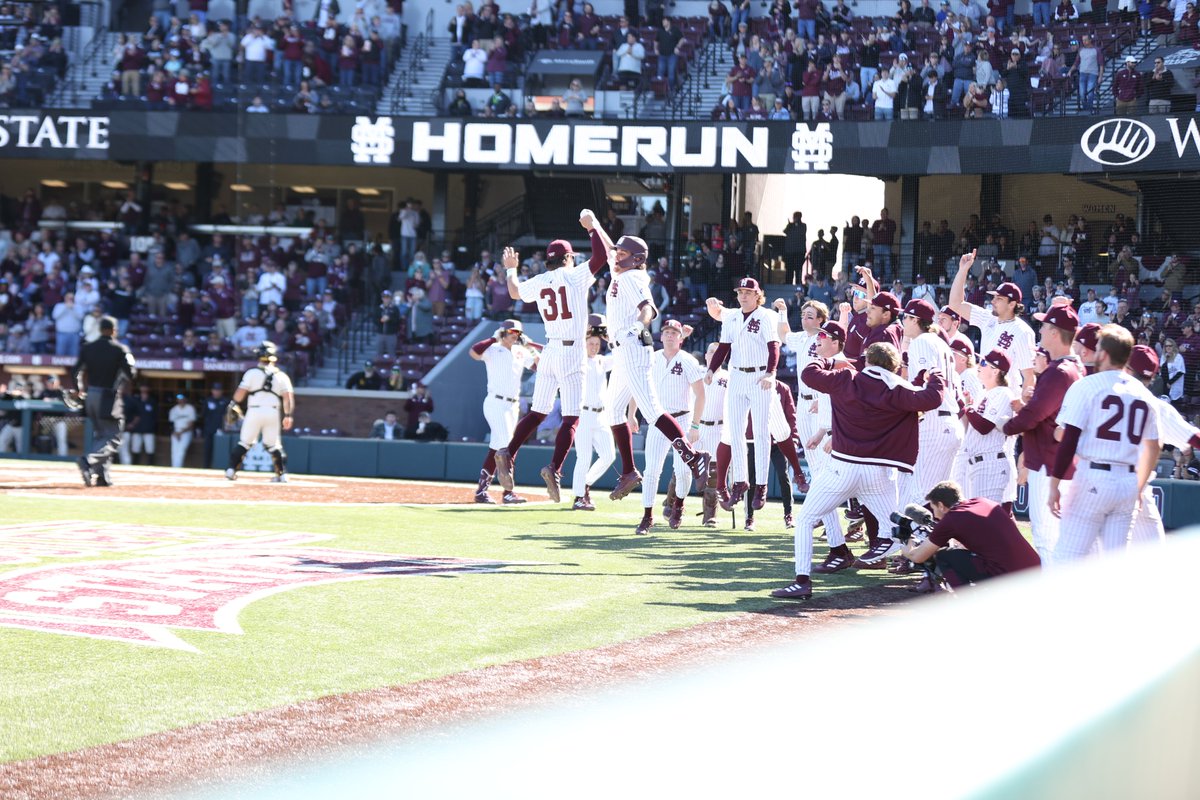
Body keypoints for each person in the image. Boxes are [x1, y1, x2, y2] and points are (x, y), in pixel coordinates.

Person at [774, 342, 946, 598]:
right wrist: (936, 377)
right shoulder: (897, 387)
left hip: (843, 468)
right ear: (895, 366)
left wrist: (829, 362)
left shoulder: (847, 378)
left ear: (867, 361)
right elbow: (933, 398)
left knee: (806, 520)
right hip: (877, 473)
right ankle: (938, 566)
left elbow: (808, 374)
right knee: (899, 525)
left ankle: (802, 581)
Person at [592, 225, 712, 504]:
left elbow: (648, 307)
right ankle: (629, 471)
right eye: (617, 251)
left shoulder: (633, 277)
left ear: (635, 258)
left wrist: (638, 324)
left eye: (622, 252)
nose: (616, 254)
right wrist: (595, 225)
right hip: (622, 352)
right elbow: (609, 247)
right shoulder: (621, 270)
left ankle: (694, 458)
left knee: (652, 412)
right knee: (612, 412)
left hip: (633, 347)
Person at [495, 217, 609, 502]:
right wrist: (593, 227)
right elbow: (602, 256)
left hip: (549, 350)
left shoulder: (540, 280)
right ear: (568, 257)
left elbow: (514, 292)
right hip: (572, 352)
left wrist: (511, 270)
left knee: (537, 412)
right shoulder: (574, 275)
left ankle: (509, 451)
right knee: (571, 418)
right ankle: (554, 468)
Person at [1051, 325, 1160, 562]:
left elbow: (1068, 439)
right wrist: (1139, 486)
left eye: (1099, 347)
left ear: (1104, 354)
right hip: (1128, 481)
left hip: (1094, 476)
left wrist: (1054, 484)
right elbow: (1154, 447)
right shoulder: (1143, 393)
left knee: (1067, 558)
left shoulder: (1088, 385)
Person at [1002, 303, 1084, 563]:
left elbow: (1034, 416)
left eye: (1045, 326)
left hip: (1049, 463)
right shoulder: (1076, 368)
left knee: (1047, 538)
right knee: (1060, 538)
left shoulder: (1059, 372)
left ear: (1055, 333)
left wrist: (1006, 425)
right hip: (1060, 460)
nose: (1041, 330)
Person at [705, 278, 781, 513]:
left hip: (760, 376)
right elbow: (724, 346)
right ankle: (740, 480)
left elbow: (773, 346)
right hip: (737, 375)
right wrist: (711, 369)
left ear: (758, 295)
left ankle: (761, 485)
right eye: (740, 292)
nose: (744, 295)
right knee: (734, 431)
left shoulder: (767, 315)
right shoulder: (732, 316)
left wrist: (771, 373)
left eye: (749, 292)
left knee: (760, 431)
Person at [901, 481, 1041, 587]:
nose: (935, 515)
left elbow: (918, 557)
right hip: (1036, 569)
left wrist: (907, 546)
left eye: (934, 508)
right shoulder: (983, 501)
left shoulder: (951, 519)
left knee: (944, 556)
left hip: (1011, 578)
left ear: (941, 505)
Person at [900, 298, 964, 508]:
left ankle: (922, 540)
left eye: (906, 317)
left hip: (933, 422)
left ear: (915, 319)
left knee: (921, 494)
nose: (902, 321)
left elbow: (924, 382)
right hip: (950, 421)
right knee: (942, 498)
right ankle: (944, 539)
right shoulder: (941, 344)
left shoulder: (922, 342)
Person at [470, 318, 538, 504]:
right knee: (505, 446)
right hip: (495, 402)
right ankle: (507, 492)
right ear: (503, 333)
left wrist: (529, 346)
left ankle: (483, 491)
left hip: (512, 405)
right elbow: (474, 352)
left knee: (498, 447)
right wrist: (494, 338)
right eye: (510, 332)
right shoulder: (492, 349)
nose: (513, 336)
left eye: (516, 333)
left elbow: (538, 365)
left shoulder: (519, 351)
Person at [949, 250, 1037, 392]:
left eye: (999, 298)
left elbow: (1029, 376)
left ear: (1012, 304)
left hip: (1007, 397)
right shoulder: (987, 318)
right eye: (994, 297)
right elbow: (955, 304)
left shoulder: (1023, 331)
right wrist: (962, 271)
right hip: (984, 393)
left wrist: (1023, 408)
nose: (993, 301)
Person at [73, 316, 136, 487]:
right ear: (114, 330)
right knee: (114, 435)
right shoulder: (120, 349)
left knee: (102, 434)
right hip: (108, 395)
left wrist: (79, 389)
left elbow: (75, 371)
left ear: (100, 329)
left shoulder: (88, 348)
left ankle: (102, 476)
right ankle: (88, 461)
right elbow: (131, 373)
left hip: (90, 395)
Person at [225, 341, 295, 483]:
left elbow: (240, 394)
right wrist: (288, 415)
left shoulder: (251, 373)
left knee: (245, 442)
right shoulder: (282, 376)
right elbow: (288, 399)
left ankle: (231, 471)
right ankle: (282, 474)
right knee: (274, 445)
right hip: (273, 412)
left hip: (254, 411)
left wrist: (233, 403)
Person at [571, 315, 617, 510]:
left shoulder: (601, 361)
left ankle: (585, 484)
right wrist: (586, 333)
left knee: (609, 455)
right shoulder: (578, 360)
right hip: (583, 415)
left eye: (597, 343)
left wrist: (610, 339)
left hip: (601, 415)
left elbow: (621, 356)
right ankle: (579, 497)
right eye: (591, 343)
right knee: (583, 457)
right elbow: (574, 348)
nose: (594, 346)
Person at [962, 349, 1018, 506]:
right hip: (978, 463)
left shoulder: (1003, 393)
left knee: (984, 522)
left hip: (991, 464)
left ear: (996, 371)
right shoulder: (984, 393)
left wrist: (968, 407)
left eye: (984, 363)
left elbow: (984, 426)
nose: (979, 365)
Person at [201, 382, 227, 469]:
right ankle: (206, 468)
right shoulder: (208, 401)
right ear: (212, 391)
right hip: (209, 430)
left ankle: (219, 467)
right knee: (208, 450)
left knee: (220, 450)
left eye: (218, 390)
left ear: (221, 391)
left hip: (222, 430)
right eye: (215, 390)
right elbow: (203, 415)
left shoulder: (225, 401)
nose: (216, 392)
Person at [168, 393, 196, 468]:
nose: (181, 400)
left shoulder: (190, 408)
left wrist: (181, 432)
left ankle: (178, 469)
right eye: (179, 398)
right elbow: (171, 424)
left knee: (181, 451)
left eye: (182, 398)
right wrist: (175, 432)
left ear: (186, 399)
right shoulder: (174, 409)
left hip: (186, 432)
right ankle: (174, 468)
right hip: (175, 432)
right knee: (174, 451)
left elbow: (191, 424)